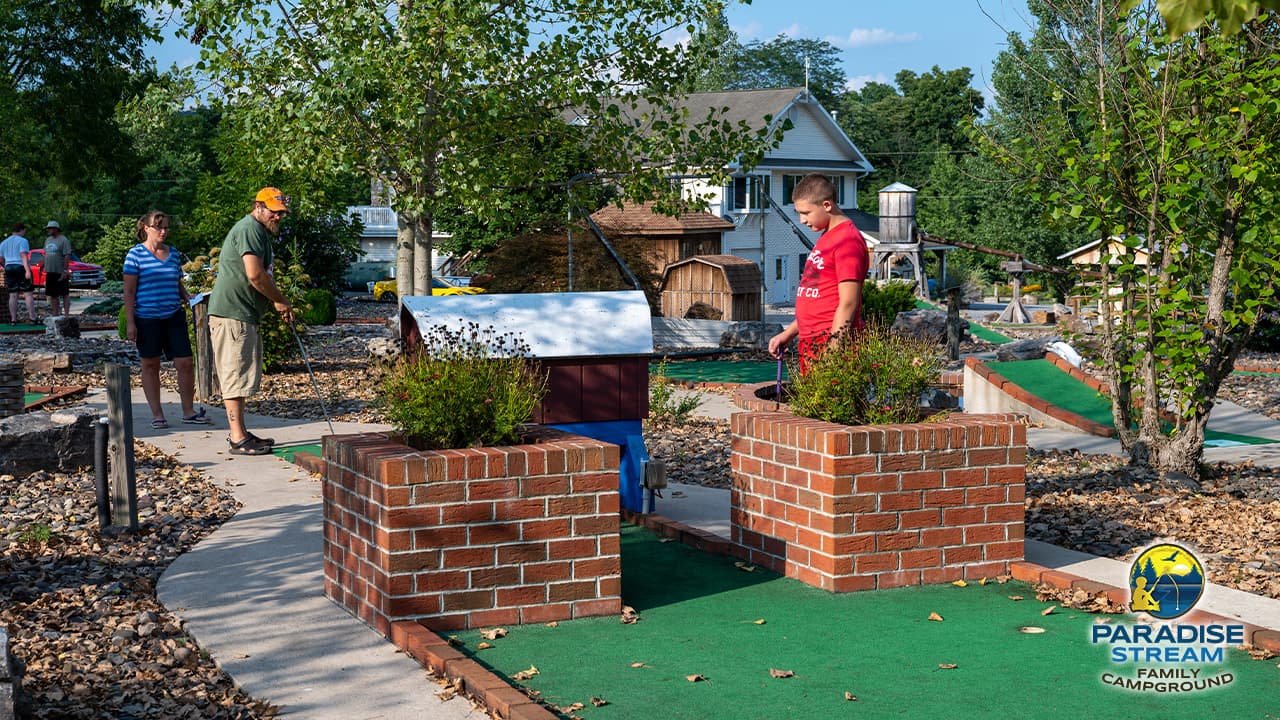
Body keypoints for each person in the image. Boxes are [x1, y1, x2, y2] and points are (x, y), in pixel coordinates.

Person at [208, 187, 293, 455]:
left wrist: (276, 299)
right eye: (273, 211)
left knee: (241, 373)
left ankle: (241, 433)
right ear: (258, 207)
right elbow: (255, 275)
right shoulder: (250, 229)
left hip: (242, 314)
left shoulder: (260, 233)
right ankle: (237, 437)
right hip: (232, 314)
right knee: (234, 374)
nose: (277, 217)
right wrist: (279, 300)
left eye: (281, 213)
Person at [767, 174, 870, 372]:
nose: (802, 220)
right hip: (811, 342)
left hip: (828, 343)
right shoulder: (826, 237)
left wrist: (834, 349)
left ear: (827, 205)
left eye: (806, 213)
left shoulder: (847, 241)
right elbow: (818, 295)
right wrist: (788, 334)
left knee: (830, 402)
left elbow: (849, 301)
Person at [123, 210, 211, 429]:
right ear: (146, 228)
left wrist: (186, 296)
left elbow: (177, 281)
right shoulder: (135, 255)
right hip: (147, 317)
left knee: (185, 363)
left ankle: (188, 411)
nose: (163, 231)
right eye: (158, 227)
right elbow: (129, 291)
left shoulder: (173, 253)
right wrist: (131, 322)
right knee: (151, 365)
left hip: (173, 315)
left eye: (166, 227)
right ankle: (157, 414)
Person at [1, 223, 36, 325]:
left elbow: (0, 258)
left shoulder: (4, 243)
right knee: (28, 293)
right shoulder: (23, 241)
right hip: (20, 267)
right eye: (24, 231)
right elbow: (23, 255)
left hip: (9, 267)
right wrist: (28, 271)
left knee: (13, 294)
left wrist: (6, 266)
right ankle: (32, 318)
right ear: (22, 230)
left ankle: (13, 319)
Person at [42, 220, 74, 316]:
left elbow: (67, 255)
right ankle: (55, 314)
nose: (48, 230)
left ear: (56, 229)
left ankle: (67, 315)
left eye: (50, 228)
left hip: (60, 271)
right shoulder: (48, 240)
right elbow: (45, 254)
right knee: (53, 295)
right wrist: (42, 265)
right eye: (48, 228)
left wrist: (64, 271)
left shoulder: (64, 240)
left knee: (64, 293)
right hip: (50, 271)